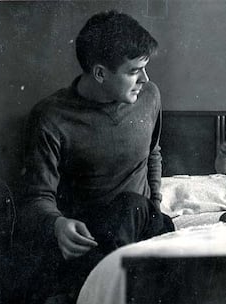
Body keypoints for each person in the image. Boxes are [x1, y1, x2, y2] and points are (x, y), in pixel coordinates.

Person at [11, 10, 174, 304]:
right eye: (135, 71)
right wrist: (57, 225)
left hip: (146, 223)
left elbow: (153, 153)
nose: (146, 79)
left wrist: (157, 201)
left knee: (132, 206)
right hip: (92, 236)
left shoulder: (150, 96)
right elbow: (35, 197)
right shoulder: (51, 117)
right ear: (100, 73)